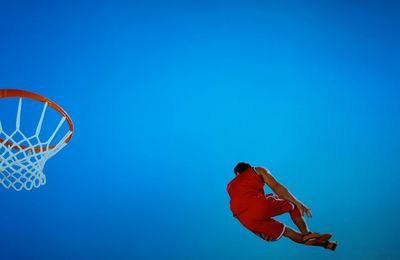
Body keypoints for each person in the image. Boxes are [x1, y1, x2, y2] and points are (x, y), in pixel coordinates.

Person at [227, 162, 337, 251]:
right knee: (291, 203)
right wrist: (298, 202)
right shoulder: (256, 170)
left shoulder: (229, 186)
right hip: (257, 205)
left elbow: (238, 213)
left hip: (245, 219)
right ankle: (307, 234)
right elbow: (276, 186)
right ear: (249, 168)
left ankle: (326, 245)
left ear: (237, 173)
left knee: (286, 232)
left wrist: (261, 234)